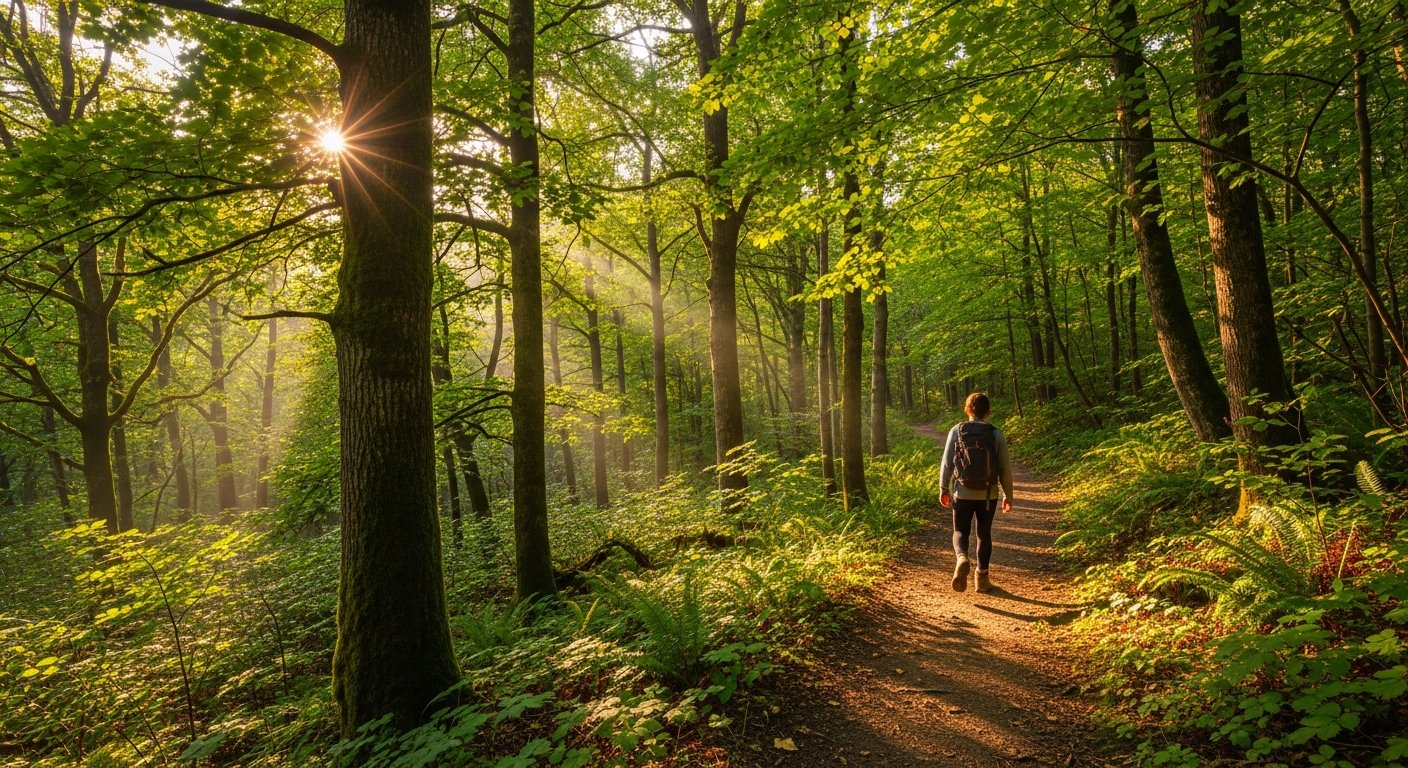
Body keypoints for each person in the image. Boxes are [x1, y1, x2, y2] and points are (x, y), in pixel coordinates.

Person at [939, 392, 1014, 593]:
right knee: (983, 534)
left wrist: (943, 488)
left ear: (967, 409)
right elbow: (1005, 468)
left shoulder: (957, 430)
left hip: (961, 492)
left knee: (960, 531)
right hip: (988, 495)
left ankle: (962, 557)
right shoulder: (996, 434)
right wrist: (1008, 494)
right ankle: (982, 579)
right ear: (988, 411)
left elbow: (947, 463)